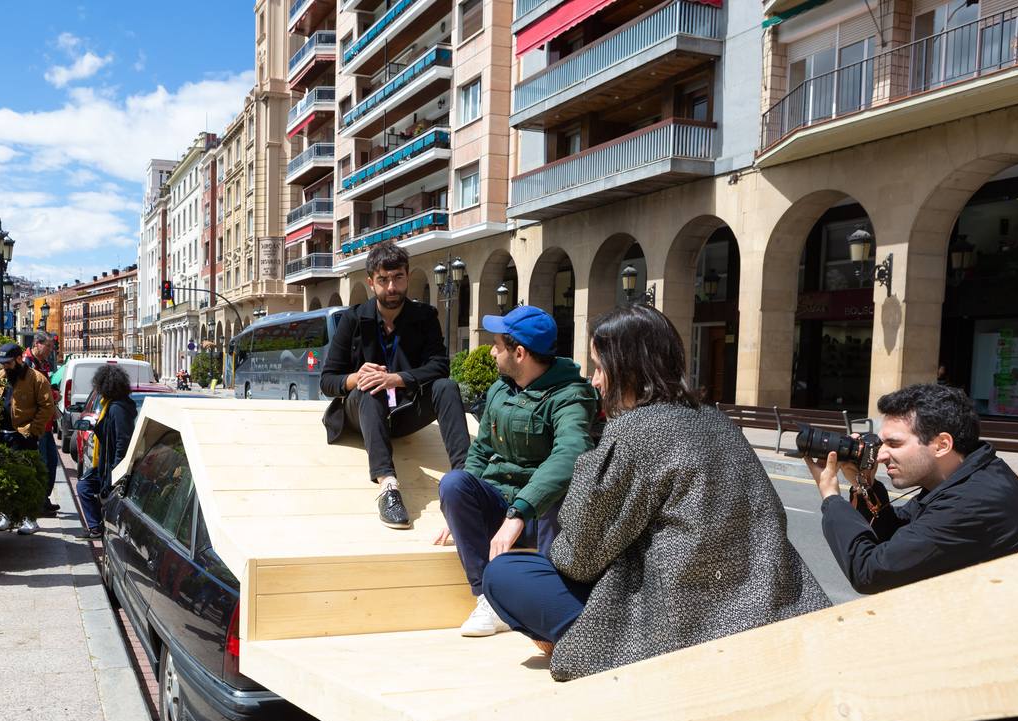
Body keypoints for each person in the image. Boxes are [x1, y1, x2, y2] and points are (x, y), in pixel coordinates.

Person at [482, 304, 831, 681]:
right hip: (771, 602)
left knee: (504, 573)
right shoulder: (716, 419)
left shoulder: (634, 432)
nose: (595, 381)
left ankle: (570, 641)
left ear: (627, 368)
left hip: (677, 622)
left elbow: (576, 559)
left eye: (600, 367)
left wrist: (588, 470)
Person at [436, 305, 598, 637]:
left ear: (520, 352)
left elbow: (571, 452)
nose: (492, 352)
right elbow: (480, 451)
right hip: (500, 507)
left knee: (561, 491)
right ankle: (488, 599)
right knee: (454, 484)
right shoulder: (500, 389)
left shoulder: (570, 395)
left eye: (497, 345)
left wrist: (520, 511)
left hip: (539, 516)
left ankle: (550, 604)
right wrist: (457, 511)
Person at [806, 382, 1018, 593]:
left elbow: (870, 572)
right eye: (880, 442)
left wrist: (831, 498)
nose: (881, 455)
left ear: (941, 445)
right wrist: (864, 483)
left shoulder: (970, 503)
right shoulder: (971, 472)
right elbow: (900, 531)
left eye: (894, 443)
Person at [319, 240, 470, 528]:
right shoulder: (352, 320)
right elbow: (327, 380)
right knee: (371, 387)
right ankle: (388, 486)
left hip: (403, 412)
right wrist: (357, 377)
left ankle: (467, 479)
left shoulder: (425, 317)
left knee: (446, 386)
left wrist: (396, 379)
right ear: (371, 282)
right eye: (383, 280)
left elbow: (440, 365)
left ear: (407, 277)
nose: (391, 287)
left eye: (398, 278)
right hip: (361, 413)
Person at [0, 341, 56, 535]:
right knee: (5, 479)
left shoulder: (37, 379)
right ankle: (6, 516)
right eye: (2, 363)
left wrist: (32, 430)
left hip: (24, 437)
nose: (4, 366)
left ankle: (30, 518)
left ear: (19, 359)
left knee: (28, 478)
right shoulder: (1, 377)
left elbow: (47, 407)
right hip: (1, 436)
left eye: (7, 362)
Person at [77, 365, 137, 539]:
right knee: (83, 487)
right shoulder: (110, 406)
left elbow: (122, 441)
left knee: (88, 489)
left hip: (111, 466)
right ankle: (96, 526)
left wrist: (115, 473)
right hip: (104, 463)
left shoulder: (117, 408)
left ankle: (100, 528)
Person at [22, 331, 61, 516]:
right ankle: (38, 504)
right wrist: (52, 395)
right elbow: (29, 393)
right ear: (37, 343)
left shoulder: (41, 363)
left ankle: (43, 499)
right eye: (48, 347)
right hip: (36, 425)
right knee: (42, 464)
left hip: (46, 424)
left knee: (51, 463)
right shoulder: (26, 363)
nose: (50, 351)